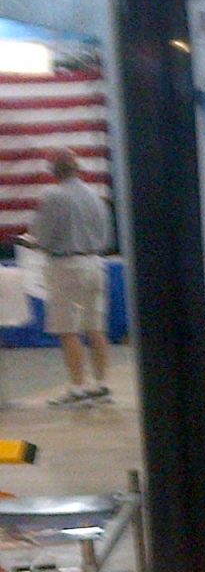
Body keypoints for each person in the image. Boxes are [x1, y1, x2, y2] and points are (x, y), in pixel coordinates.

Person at [29, 147, 113, 407]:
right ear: (78, 168)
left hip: (66, 266)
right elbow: (106, 237)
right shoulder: (96, 196)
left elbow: (42, 238)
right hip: (95, 263)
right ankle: (101, 385)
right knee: (95, 327)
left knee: (68, 329)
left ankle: (77, 389)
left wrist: (30, 240)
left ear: (54, 171)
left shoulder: (53, 196)